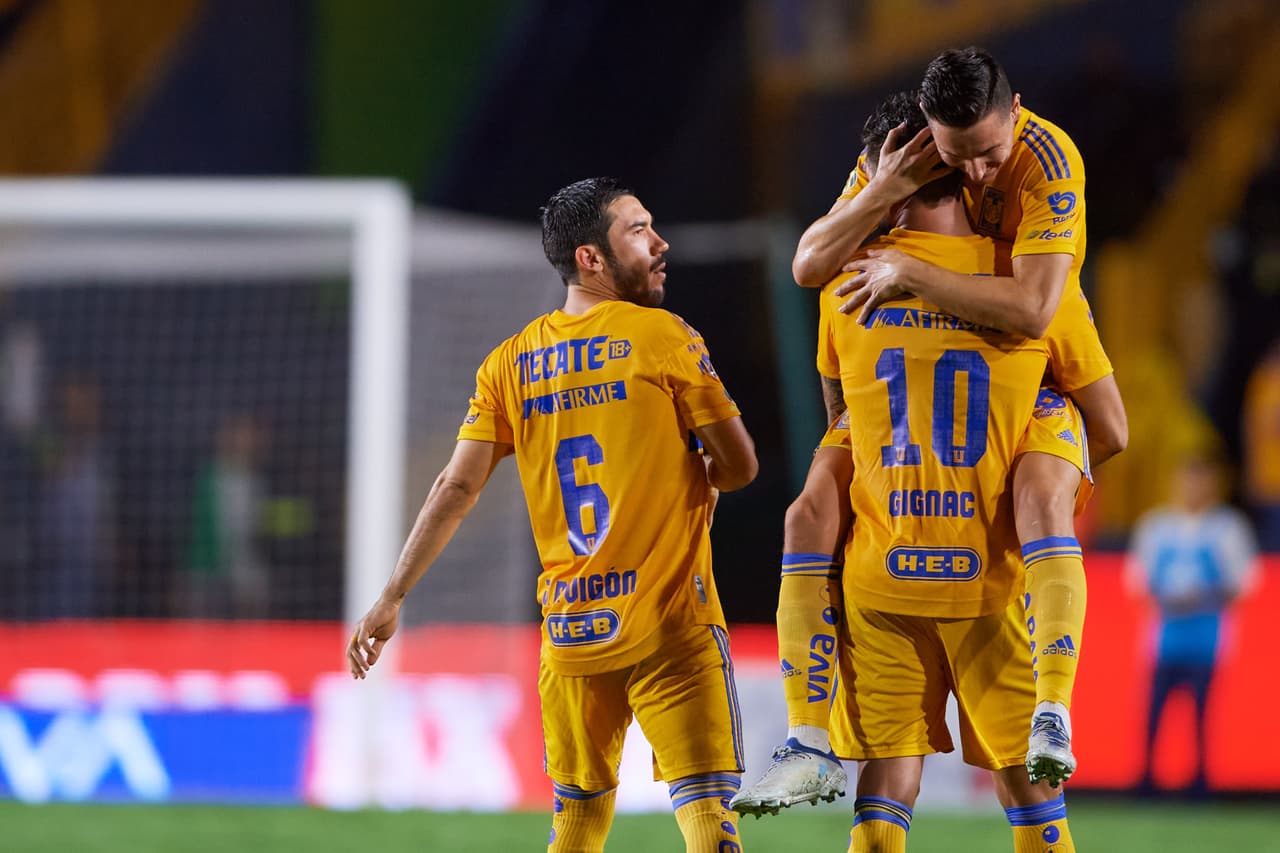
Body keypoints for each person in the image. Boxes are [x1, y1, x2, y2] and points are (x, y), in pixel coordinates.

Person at [346, 177, 758, 853]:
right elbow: (740, 466)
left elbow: (456, 486)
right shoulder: (663, 337)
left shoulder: (508, 363)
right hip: (670, 627)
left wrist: (392, 596)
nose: (660, 244)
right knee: (708, 818)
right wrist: (697, 476)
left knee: (578, 819)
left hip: (571, 637)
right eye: (638, 230)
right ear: (592, 258)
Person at [799, 47, 1127, 787]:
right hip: (958, 398)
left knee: (1047, 487)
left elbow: (1039, 308)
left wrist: (912, 271)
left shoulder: (1049, 163)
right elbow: (809, 262)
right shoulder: (906, 164)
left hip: (1036, 342)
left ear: (1015, 114)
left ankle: (1055, 704)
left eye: (988, 155)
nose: (976, 176)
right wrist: (883, 188)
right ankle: (802, 734)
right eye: (957, 158)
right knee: (818, 492)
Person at [823, 94, 1076, 853]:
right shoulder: (1030, 287)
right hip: (988, 572)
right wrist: (1046, 447)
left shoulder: (847, 285)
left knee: (884, 791)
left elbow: (840, 420)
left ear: (884, 175)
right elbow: (1114, 423)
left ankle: (803, 728)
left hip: (884, 571)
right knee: (1030, 796)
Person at [1126, 447, 1258, 795]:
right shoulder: (1156, 526)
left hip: (1207, 639)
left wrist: (1203, 596)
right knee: (1154, 712)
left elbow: (1243, 583)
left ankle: (1201, 779)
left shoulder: (1227, 528)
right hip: (1164, 639)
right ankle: (1147, 777)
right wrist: (1169, 598)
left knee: (1202, 713)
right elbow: (1138, 581)